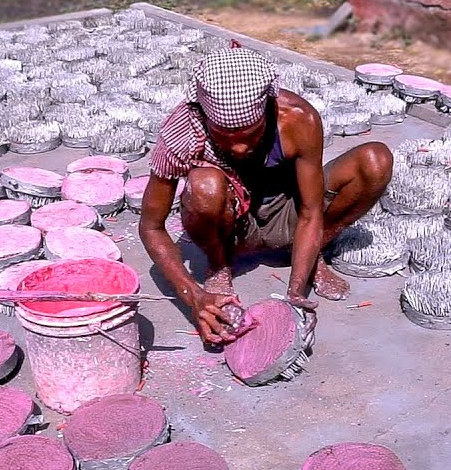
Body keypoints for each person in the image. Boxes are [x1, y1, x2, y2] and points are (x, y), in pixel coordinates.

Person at [139, 46, 393, 344]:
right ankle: (219, 263)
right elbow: (151, 226)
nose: (238, 148)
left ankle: (311, 254)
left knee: (375, 160)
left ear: (268, 109)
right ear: (204, 116)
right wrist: (193, 295)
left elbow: (311, 211)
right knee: (205, 186)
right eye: (223, 135)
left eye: (250, 133)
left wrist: (296, 294)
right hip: (233, 227)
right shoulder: (183, 130)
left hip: (287, 213)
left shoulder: (298, 119)